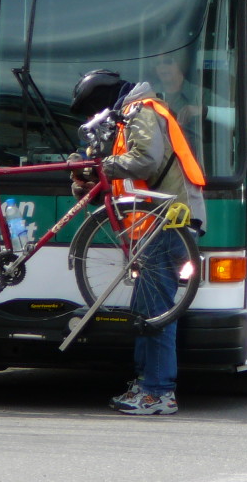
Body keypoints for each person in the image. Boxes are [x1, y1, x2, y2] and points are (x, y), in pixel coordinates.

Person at [69, 69, 206, 416]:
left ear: (101, 101)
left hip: (169, 220)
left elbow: (145, 160)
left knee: (155, 309)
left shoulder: (141, 111)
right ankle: (146, 383)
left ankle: (158, 391)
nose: (91, 119)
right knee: (147, 307)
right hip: (156, 222)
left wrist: (102, 166)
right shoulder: (128, 117)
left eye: (90, 111)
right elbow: (128, 182)